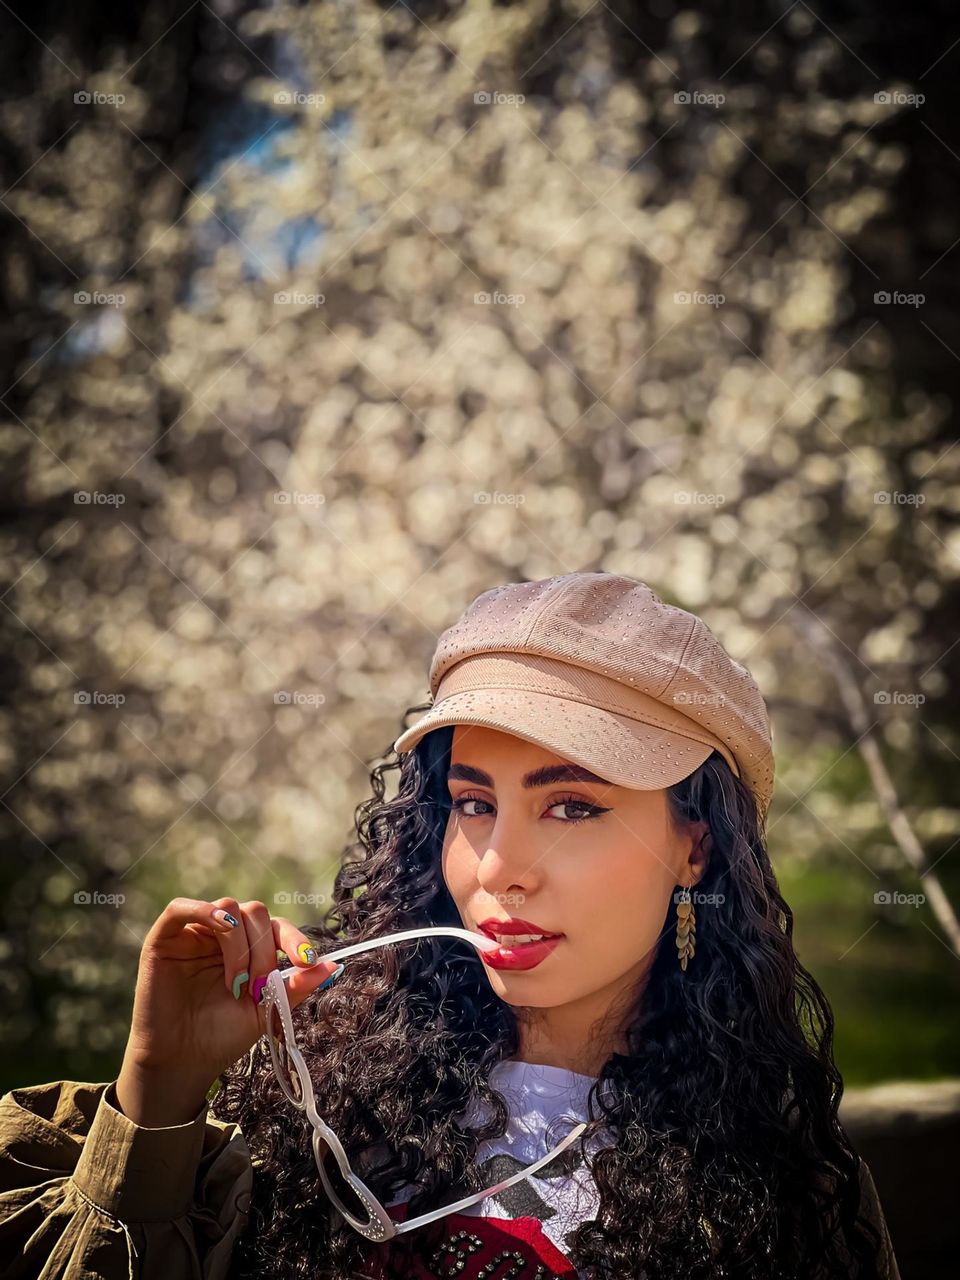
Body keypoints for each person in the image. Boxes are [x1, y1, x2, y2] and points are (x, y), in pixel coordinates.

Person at [0, 572, 902, 1280]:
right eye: (474, 804)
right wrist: (160, 1089)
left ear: (695, 850)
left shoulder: (789, 1189)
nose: (500, 864)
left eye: (574, 807)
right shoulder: (307, 1117)